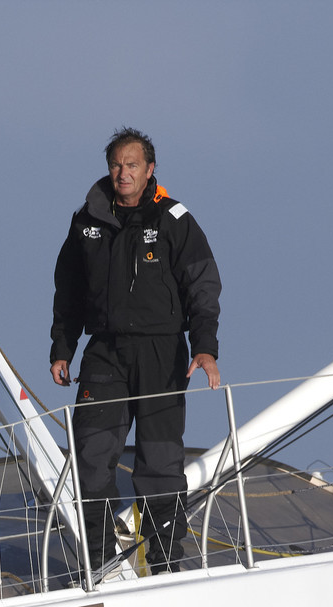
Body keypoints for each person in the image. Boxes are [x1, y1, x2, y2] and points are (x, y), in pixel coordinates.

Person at [49, 127, 222, 574]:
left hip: (162, 353)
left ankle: (165, 567)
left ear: (149, 171)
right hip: (104, 352)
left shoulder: (175, 219)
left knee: (160, 464)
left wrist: (204, 347)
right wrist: (62, 347)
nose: (123, 173)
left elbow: (203, 286)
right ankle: (101, 565)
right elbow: (67, 289)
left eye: (132, 165)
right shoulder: (86, 221)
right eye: (116, 165)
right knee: (90, 459)